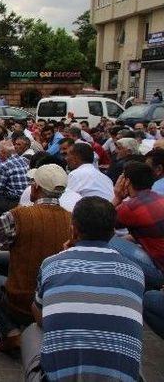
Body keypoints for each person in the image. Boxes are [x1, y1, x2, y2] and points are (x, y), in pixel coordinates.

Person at [21, 197, 144, 382]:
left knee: (32, 331)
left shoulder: (52, 264)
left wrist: (64, 256)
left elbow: (40, 317)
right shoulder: (135, 272)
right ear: (112, 233)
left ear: (74, 229)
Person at [0, 164, 71, 353]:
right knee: (0, 261)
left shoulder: (21, 215)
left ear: (35, 188)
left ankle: (11, 332)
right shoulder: (72, 218)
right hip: (55, 301)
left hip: (23, 303)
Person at [109, 162, 164, 290]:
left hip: (160, 274)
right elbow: (147, 233)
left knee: (105, 241)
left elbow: (95, 224)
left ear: (126, 182)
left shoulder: (131, 207)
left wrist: (117, 197)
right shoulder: (159, 198)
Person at [0, 140, 29, 217]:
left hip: (15, 200)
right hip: (27, 197)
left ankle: (7, 218)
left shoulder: (4, 166)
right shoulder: (24, 160)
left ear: (3, 152)